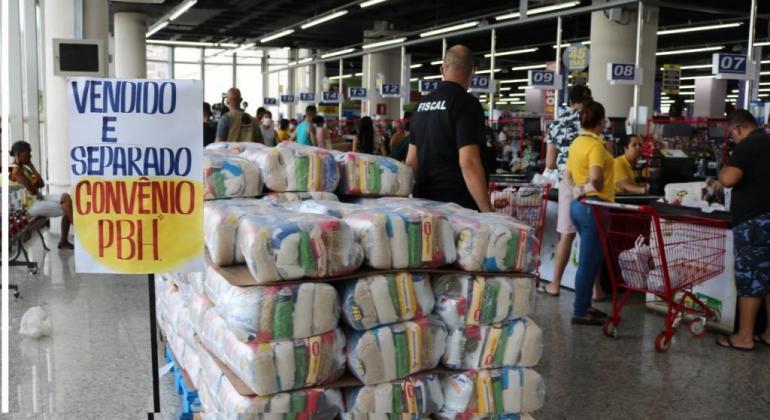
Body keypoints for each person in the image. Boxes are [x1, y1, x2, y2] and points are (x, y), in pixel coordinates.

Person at [406, 44, 492, 212]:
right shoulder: (468, 104)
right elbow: (468, 162)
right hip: (457, 206)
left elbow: (411, 161)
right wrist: (488, 212)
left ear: (442, 69)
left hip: (423, 203)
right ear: (472, 71)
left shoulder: (420, 106)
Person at [716, 110, 770, 351]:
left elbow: (728, 178)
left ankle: (744, 336)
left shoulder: (749, 145)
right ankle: (769, 334)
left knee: (750, 279)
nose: (733, 140)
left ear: (737, 129)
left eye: (732, 135)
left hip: (754, 223)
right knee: (769, 278)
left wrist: (720, 176)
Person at [563, 100, 615, 325]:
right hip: (595, 207)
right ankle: (579, 311)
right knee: (588, 261)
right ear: (601, 121)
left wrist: (577, 189)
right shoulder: (595, 146)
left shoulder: (577, 142)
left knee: (591, 260)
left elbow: (566, 175)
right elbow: (597, 179)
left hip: (578, 207)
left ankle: (585, 305)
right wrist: (588, 187)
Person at [540, 85, 593, 297]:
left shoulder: (556, 124)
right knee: (591, 237)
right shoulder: (593, 121)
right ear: (589, 101)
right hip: (591, 183)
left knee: (566, 235)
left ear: (570, 101)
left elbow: (550, 163)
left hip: (568, 182)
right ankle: (596, 290)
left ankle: (554, 284)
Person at [9, 141, 74, 249]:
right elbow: (33, 190)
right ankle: (76, 233)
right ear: (18, 154)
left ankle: (64, 241)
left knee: (66, 197)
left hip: (36, 199)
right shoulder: (14, 170)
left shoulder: (24, 168)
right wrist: (36, 190)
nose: (30, 155)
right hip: (27, 206)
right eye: (28, 152)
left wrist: (31, 165)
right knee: (67, 208)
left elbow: (41, 184)